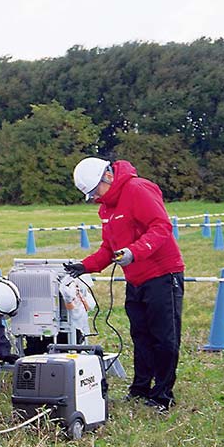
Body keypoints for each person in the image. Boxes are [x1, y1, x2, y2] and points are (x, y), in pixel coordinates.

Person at [64, 157, 185, 412]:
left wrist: (135, 251)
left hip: (162, 273)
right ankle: (140, 388)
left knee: (163, 337)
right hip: (136, 278)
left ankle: (163, 395)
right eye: (91, 194)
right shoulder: (106, 208)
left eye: (96, 191)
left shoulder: (138, 189)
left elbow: (161, 227)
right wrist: (85, 265)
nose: (95, 197)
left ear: (108, 176)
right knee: (140, 335)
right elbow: (109, 248)